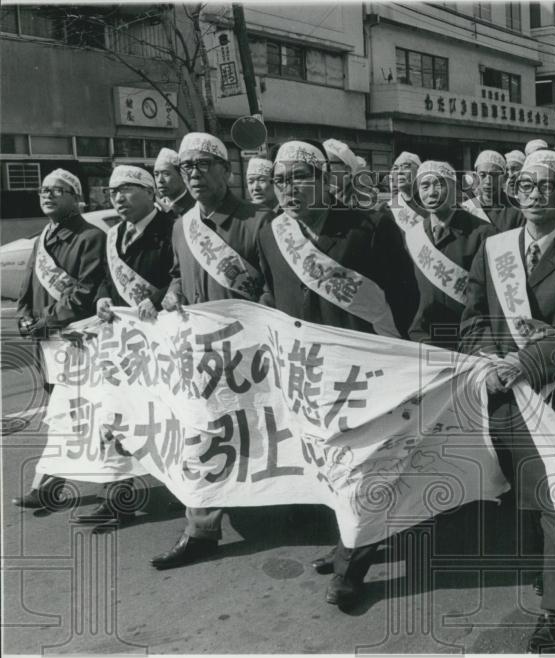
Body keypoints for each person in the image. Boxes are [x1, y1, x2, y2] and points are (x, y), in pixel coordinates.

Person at [460, 149, 555, 652]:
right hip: (500, 400)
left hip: (554, 398)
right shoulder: (494, 247)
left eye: (546, 186)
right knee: (523, 496)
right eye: (525, 185)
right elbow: (473, 317)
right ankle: (543, 573)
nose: (533, 194)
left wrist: (525, 365)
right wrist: (486, 361)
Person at [255, 139, 416, 607]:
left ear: (326, 180)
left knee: (363, 464)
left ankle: (351, 565)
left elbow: (403, 295)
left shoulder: (368, 227)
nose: (288, 189)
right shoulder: (271, 231)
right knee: (328, 465)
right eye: (280, 180)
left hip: (363, 370)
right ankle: (348, 536)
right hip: (307, 374)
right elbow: (271, 293)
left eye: (299, 178)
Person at [151, 132, 267, 570]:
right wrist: (172, 295)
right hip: (200, 357)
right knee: (202, 438)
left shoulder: (259, 222)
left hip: (251, 355)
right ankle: (200, 529)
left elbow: (274, 291)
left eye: (202, 164)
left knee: (266, 434)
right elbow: (179, 276)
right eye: (186, 167)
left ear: (225, 169)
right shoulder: (182, 226)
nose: (194, 174)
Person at [77, 165, 176, 525]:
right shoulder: (113, 234)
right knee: (117, 416)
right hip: (125, 344)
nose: (117, 197)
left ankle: (183, 489)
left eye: (127, 189)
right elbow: (106, 278)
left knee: (168, 419)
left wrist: (162, 297)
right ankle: (119, 496)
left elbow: (180, 277)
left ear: (150, 192)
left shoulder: (173, 228)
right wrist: (102, 298)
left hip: (166, 342)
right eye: (113, 190)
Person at [13, 169, 106, 509]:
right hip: (48, 343)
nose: (47, 194)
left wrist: (45, 321)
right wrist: (24, 316)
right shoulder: (42, 237)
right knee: (61, 414)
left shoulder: (90, 237)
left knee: (95, 414)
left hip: (77, 341)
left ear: (75, 197)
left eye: (57, 190)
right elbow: (28, 287)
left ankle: (118, 488)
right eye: (44, 189)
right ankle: (49, 485)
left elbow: (84, 293)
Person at [408, 160, 496, 348]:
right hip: (424, 339)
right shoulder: (414, 235)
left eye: (439, 184)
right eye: (425, 185)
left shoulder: (482, 233)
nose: (432, 192)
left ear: (455, 189)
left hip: (469, 341)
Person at [464, 150, 521, 232]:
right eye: (482, 175)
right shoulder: (467, 209)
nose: (488, 181)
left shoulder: (516, 210)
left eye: (494, 175)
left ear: (504, 178)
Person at [153, 148, 196, 221]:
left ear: (182, 176)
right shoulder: (154, 208)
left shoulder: (195, 206)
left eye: (166, 174)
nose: (160, 180)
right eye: (156, 174)